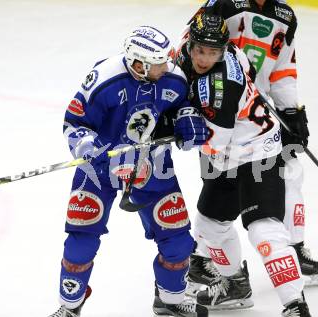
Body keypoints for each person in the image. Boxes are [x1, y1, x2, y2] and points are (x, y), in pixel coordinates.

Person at [47, 26, 210, 317]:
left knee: (178, 240)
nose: (167, 65)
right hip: (99, 169)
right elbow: (74, 123)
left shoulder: (173, 77)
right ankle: (69, 307)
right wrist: (88, 146)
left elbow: (182, 105)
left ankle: (170, 299)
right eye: (159, 62)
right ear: (139, 64)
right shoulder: (103, 80)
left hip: (152, 165)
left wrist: (187, 118)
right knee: (80, 243)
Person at [186, 0, 318, 289]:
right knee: (218, 185)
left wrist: (290, 111)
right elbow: (190, 47)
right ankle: (204, 256)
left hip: (262, 116)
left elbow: (283, 67)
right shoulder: (223, 5)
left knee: (290, 174)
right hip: (221, 112)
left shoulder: (285, 16)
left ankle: (292, 247)